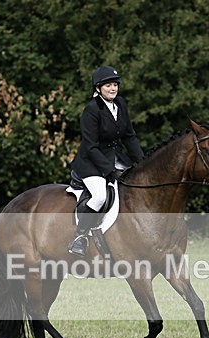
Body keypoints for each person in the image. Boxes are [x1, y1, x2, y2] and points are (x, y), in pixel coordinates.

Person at [68, 65, 145, 257]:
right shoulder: (91, 110)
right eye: (108, 85)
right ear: (98, 88)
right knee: (100, 195)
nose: (113, 89)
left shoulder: (120, 104)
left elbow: (129, 136)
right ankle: (80, 236)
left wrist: (142, 162)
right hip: (90, 162)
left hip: (115, 157)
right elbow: (90, 146)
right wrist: (109, 170)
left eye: (115, 85)